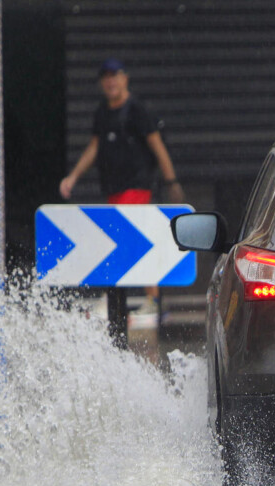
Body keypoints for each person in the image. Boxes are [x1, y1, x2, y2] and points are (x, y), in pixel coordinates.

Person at [59, 58, 183, 333]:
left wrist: (171, 180)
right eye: (105, 77)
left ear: (125, 78)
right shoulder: (102, 112)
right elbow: (93, 148)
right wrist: (73, 177)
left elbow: (157, 145)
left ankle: (150, 301)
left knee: (126, 239)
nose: (110, 81)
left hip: (136, 187)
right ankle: (133, 299)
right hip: (113, 189)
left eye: (115, 76)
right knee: (123, 239)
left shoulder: (137, 110)